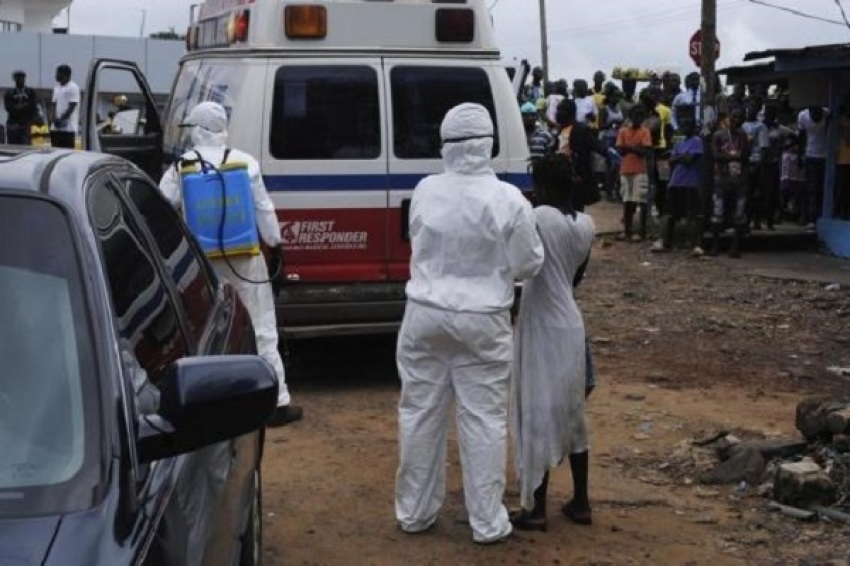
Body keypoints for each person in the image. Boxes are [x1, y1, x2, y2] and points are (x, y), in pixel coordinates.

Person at [395, 103, 544, 545]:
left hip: (422, 314)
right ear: (489, 145)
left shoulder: (424, 189)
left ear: (445, 145)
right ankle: (487, 522)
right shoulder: (508, 199)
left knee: (419, 414)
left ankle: (415, 513)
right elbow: (529, 263)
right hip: (483, 320)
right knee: (483, 421)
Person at [158, 101, 303, 427]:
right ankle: (277, 403)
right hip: (246, 259)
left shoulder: (182, 167)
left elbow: (161, 209)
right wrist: (277, 247)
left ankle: (208, 406)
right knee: (262, 327)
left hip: (202, 265)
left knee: (204, 330)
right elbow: (265, 211)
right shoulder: (245, 163)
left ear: (198, 130)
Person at [509, 152, 596, 533]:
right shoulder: (586, 225)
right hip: (571, 323)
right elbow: (574, 279)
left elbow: (521, 265)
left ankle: (536, 508)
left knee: (537, 412)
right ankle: (580, 501)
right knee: (572, 415)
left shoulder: (538, 218)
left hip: (542, 322)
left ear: (540, 186)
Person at [655, 116, 704, 254]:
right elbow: (671, 160)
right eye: (684, 126)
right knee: (671, 213)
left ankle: (695, 244)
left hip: (691, 182)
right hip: (676, 181)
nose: (686, 128)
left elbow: (690, 160)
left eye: (688, 125)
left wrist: (678, 158)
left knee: (693, 214)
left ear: (694, 127)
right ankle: (667, 242)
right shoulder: (679, 142)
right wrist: (681, 157)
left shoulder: (697, 141)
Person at [709, 109, 750, 258]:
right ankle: (715, 246)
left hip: (739, 181)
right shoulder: (719, 135)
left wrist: (734, 160)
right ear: (729, 118)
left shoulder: (743, 136)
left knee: (739, 213)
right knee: (718, 212)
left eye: (739, 118)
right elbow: (715, 155)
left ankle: (735, 247)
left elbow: (746, 157)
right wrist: (733, 157)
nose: (736, 120)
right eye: (734, 117)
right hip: (722, 179)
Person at [556, 98, 610, 211]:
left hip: (575, 177)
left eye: (559, 110)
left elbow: (594, 147)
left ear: (569, 112)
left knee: (575, 210)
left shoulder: (580, 129)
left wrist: (578, 175)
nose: (557, 113)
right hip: (562, 176)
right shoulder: (561, 130)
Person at [616, 105, 653, 241]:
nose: (637, 119)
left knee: (641, 201)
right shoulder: (623, 131)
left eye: (639, 116)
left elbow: (645, 151)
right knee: (627, 201)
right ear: (630, 117)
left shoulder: (645, 131)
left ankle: (641, 232)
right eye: (635, 116)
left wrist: (629, 148)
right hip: (626, 169)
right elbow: (620, 150)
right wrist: (636, 148)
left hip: (640, 170)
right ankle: (628, 231)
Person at [798, 105, 830, 229]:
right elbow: (802, 137)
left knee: (822, 187)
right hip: (810, 154)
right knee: (811, 188)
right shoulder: (803, 115)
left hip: (825, 155)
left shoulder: (827, 113)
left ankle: (822, 216)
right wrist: (800, 156)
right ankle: (811, 217)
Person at [741, 103, 769, 230]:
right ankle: (746, 220)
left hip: (756, 161)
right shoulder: (743, 126)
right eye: (748, 109)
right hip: (745, 161)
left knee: (757, 192)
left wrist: (759, 165)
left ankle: (757, 220)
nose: (749, 111)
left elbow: (764, 148)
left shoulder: (761, 127)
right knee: (746, 192)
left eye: (752, 109)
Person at [4, 70, 39, 145]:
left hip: (26, 124)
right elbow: (9, 108)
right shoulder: (9, 93)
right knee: (13, 147)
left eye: (22, 78)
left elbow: (33, 106)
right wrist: (24, 105)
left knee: (25, 146)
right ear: (14, 79)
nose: (20, 80)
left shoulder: (30, 92)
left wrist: (19, 107)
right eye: (17, 78)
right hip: (13, 125)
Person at [49, 64, 80, 149]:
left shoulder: (73, 87)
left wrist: (61, 119)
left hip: (68, 129)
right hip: (55, 128)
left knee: (66, 154)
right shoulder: (57, 88)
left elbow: (72, 106)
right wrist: (52, 118)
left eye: (58, 73)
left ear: (66, 74)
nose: (56, 76)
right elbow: (53, 104)